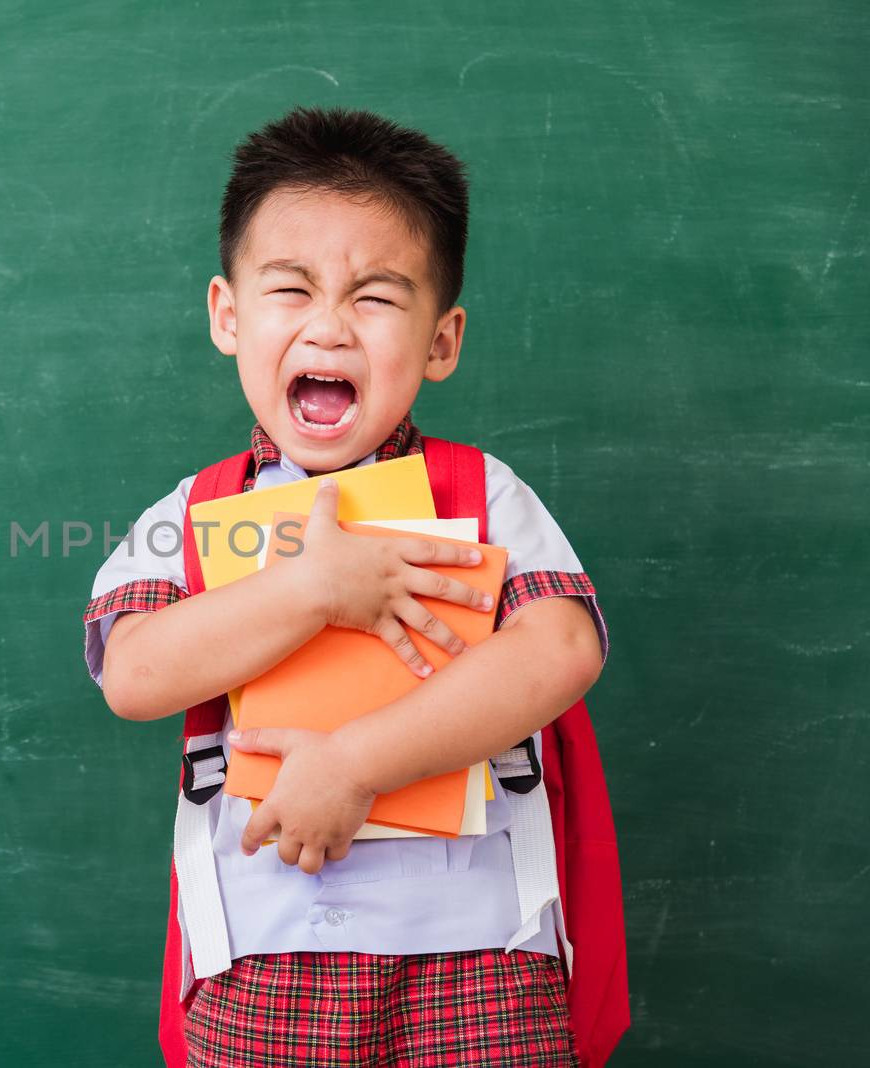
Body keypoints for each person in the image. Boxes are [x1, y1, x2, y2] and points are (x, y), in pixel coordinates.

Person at [82, 106, 613, 1066]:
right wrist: (313, 590)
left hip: (481, 953)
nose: (329, 325)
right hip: (262, 956)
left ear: (442, 340)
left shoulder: (482, 494)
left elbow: (562, 647)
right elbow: (134, 672)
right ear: (228, 315)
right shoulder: (192, 512)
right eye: (291, 289)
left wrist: (357, 765)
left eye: (375, 297)